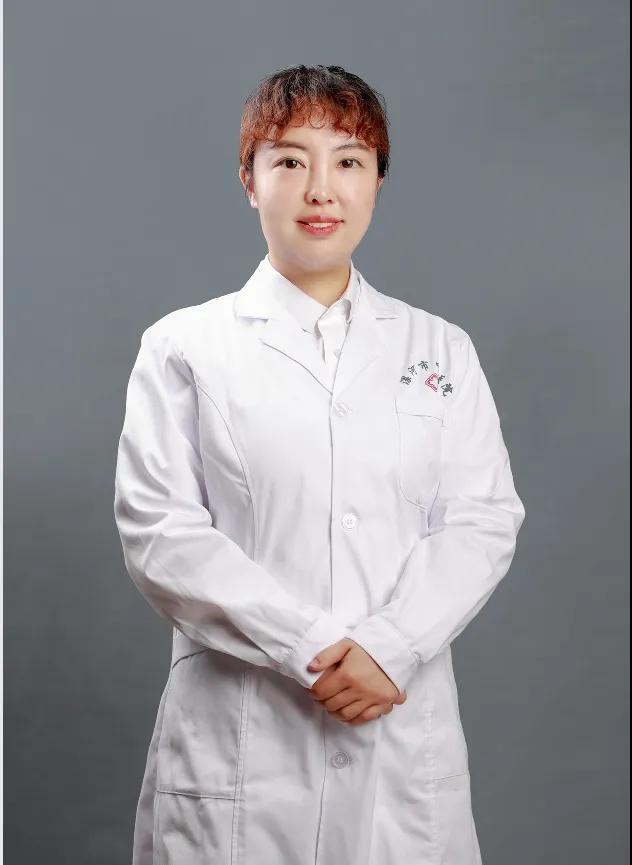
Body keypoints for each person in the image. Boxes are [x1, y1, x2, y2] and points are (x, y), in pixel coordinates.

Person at [114, 63, 526, 865]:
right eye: (289, 160)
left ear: (377, 181)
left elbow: (482, 518)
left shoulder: (440, 349)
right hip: (242, 736)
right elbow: (160, 533)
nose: (320, 189)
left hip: (397, 730)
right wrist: (310, 645)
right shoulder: (185, 347)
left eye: (348, 160)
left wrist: (392, 646)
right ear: (249, 179)